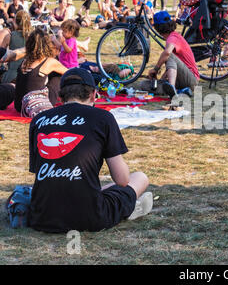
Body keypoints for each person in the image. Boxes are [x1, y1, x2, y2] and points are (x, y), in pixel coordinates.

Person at [28, 67, 152, 233]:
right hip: (91, 217)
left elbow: (40, 172)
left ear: (60, 95)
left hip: (42, 217)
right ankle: (129, 208)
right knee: (140, 177)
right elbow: (122, 180)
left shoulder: (39, 120)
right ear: (93, 94)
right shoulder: (103, 118)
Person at [146, 11, 199, 98]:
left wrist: (156, 69)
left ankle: (172, 89)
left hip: (191, 80)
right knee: (143, 85)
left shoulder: (173, 37)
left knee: (168, 55)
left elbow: (167, 53)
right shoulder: (172, 37)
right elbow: (172, 67)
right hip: (182, 80)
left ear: (158, 28)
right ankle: (178, 91)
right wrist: (161, 80)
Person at [14, 28, 67, 113]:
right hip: (34, 106)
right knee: (58, 76)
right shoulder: (49, 61)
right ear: (47, 45)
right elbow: (70, 73)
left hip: (19, 106)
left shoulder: (25, 60)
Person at [1, 10, 30, 83]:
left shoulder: (9, 36)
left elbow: (1, 55)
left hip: (11, 75)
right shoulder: (33, 37)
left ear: (15, 22)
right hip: (28, 75)